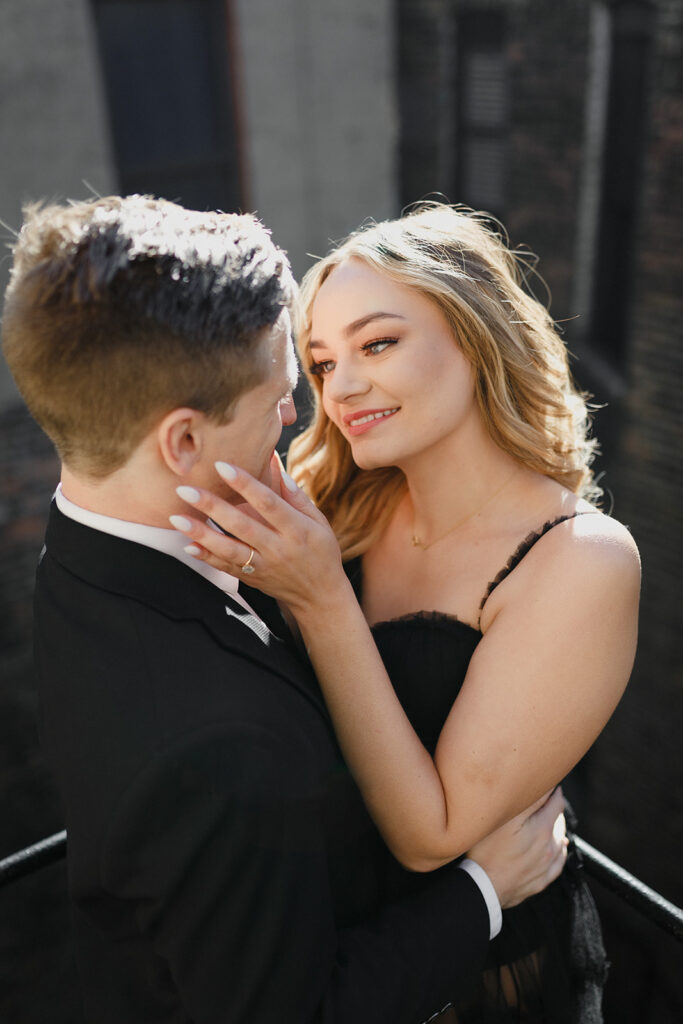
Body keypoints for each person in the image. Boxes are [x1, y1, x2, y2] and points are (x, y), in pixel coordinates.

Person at [1, 195, 569, 1024]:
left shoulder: (80, 552)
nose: (297, 413)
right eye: (281, 388)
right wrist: (482, 892)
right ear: (183, 443)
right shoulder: (221, 749)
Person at [171, 204, 641, 1022]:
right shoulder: (334, 507)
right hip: (320, 959)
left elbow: (433, 834)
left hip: (485, 985)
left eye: (377, 344)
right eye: (318, 364)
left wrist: (320, 600)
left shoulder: (581, 560)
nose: (342, 387)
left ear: (474, 336)